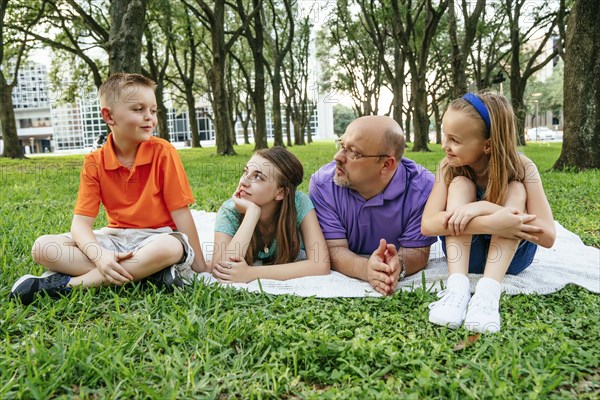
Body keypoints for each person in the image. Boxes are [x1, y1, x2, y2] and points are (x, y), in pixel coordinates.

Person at [10, 73, 208, 305]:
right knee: (43, 247)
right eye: (138, 109)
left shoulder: (164, 152)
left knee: (171, 248)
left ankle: (68, 286)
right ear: (109, 116)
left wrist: (201, 266)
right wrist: (100, 255)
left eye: (153, 111)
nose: (149, 118)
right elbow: (81, 224)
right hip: (114, 239)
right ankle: (152, 274)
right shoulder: (94, 161)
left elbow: (180, 212)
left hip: (157, 237)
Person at [421, 92, 556, 333]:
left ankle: (487, 294)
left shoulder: (523, 167)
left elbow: (547, 236)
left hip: (511, 260)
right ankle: (457, 290)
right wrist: (493, 222)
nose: (445, 146)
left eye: (455, 140)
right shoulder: (448, 166)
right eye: (444, 135)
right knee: (461, 184)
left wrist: (482, 207)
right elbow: (429, 224)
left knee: (515, 188)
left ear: (488, 145)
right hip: (466, 257)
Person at [309, 116, 436, 296]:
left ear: (386, 165)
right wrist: (366, 269)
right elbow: (334, 248)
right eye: (342, 145)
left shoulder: (423, 188)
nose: (337, 157)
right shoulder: (323, 184)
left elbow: (417, 251)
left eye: (353, 152)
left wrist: (397, 265)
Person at [211, 147, 330, 282]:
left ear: (281, 193)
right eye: (245, 172)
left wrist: (250, 273)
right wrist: (252, 213)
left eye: (257, 177)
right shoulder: (230, 210)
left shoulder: (299, 203)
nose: (243, 182)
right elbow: (222, 269)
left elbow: (320, 264)